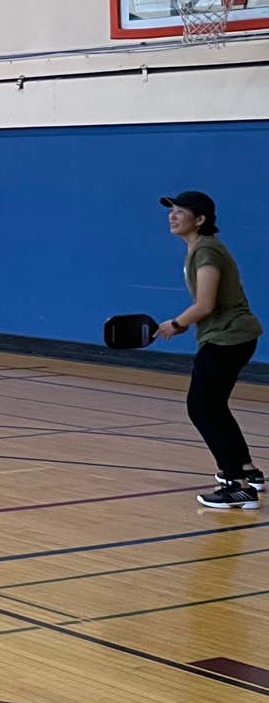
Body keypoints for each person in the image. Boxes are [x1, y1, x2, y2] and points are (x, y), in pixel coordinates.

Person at [152, 191, 262, 509]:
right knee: (213, 405)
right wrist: (184, 323)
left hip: (228, 337)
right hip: (232, 336)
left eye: (180, 212)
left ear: (199, 220)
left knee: (202, 406)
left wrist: (176, 323)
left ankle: (237, 487)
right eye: (171, 211)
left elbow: (205, 304)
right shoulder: (200, 249)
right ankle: (246, 472)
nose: (172, 216)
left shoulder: (206, 251)